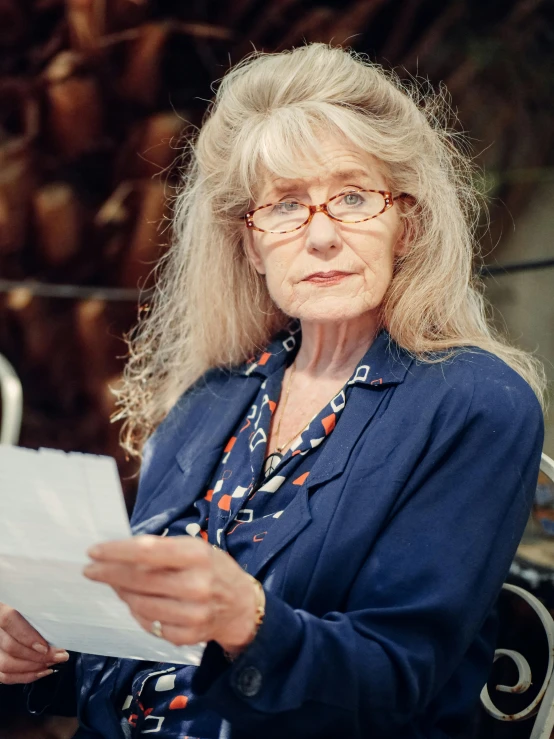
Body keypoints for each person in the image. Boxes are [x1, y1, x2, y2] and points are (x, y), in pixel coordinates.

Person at [0, 43, 545, 739]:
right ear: (251, 245)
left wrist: (248, 621)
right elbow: (147, 658)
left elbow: (398, 676)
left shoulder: (473, 402)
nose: (320, 235)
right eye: (285, 206)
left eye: (352, 196)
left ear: (406, 222)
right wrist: (43, 653)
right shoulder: (213, 397)